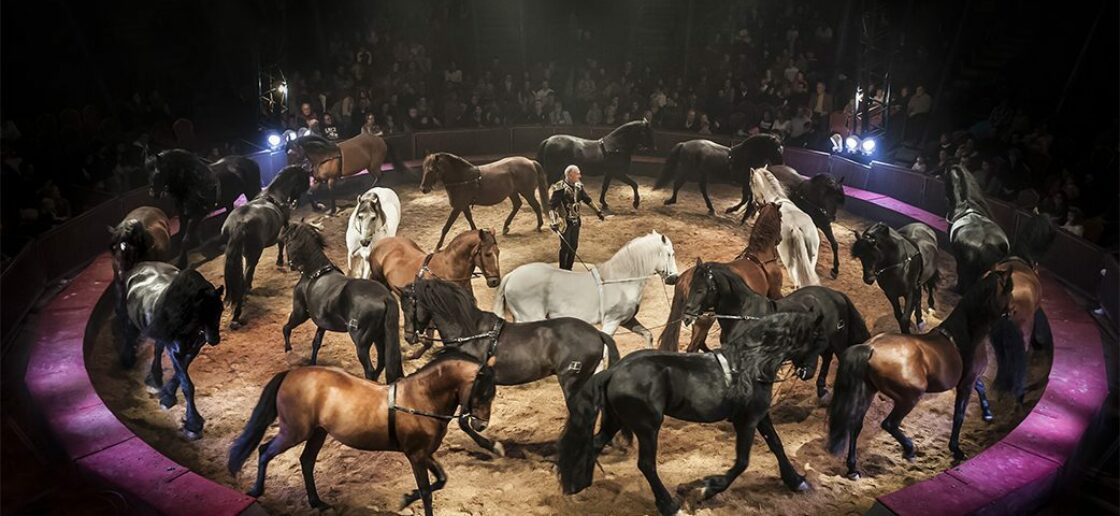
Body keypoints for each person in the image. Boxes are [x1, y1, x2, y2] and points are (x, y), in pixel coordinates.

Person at [548, 165, 604, 270]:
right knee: (565, 248)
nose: (580, 175)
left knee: (574, 246)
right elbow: (551, 206)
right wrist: (554, 221)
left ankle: (569, 268)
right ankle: (562, 270)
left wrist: (598, 211)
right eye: (577, 173)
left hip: (576, 221)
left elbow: (587, 200)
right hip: (564, 222)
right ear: (570, 174)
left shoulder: (579, 187)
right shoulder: (560, 188)